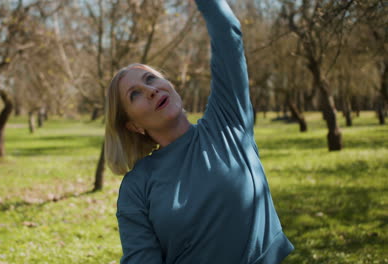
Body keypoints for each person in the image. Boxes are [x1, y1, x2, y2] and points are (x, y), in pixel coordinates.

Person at [104, 0, 294, 263]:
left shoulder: (227, 122)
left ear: (169, 85)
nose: (150, 90)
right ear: (133, 126)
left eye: (151, 79)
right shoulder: (137, 186)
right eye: (135, 94)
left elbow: (227, 31)